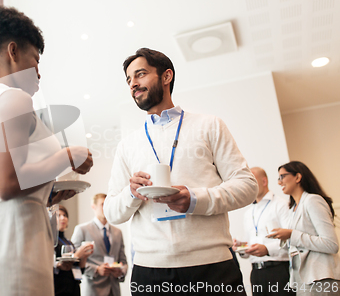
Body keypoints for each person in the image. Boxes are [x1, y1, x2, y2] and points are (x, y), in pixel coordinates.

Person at [0, 5, 93, 296]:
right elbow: (8, 184)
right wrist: (67, 156)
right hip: (12, 250)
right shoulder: (15, 98)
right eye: (35, 59)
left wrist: (46, 192)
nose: (39, 71)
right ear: (12, 52)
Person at [103, 48, 258, 295]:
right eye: (129, 80)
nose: (133, 84)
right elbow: (111, 211)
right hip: (149, 272)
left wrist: (195, 199)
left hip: (213, 266)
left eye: (140, 74)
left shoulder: (209, 125)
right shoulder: (127, 145)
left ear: (166, 76)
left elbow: (247, 186)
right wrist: (131, 193)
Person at [268, 161, 340, 296]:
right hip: (303, 279)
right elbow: (298, 244)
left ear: (298, 177)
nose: (279, 182)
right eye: (278, 178)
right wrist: (284, 238)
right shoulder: (293, 208)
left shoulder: (313, 200)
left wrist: (291, 235)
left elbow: (331, 244)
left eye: (282, 176)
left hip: (321, 278)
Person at [234, 167, 294, 296]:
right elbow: (251, 244)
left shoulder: (281, 205)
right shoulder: (249, 212)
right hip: (256, 274)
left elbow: (291, 239)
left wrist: (267, 249)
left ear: (264, 181)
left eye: (252, 180)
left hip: (278, 270)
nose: (248, 185)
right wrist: (242, 248)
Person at [72, 193, 128, 296]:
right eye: (102, 204)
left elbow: (123, 261)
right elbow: (74, 261)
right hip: (93, 289)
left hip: (114, 289)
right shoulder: (82, 230)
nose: (106, 207)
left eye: (108, 204)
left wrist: (121, 272)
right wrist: (97, 270)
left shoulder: (118, 232)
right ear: (93, 206)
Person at [54, 205, 95, 296]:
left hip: (74, 288)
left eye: (65, 215)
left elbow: (80, 269)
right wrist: (78, 254)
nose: (63, 218)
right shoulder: (52, 241)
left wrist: (84, 256)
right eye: (58, 215)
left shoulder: (69, 242)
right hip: (60, 288)